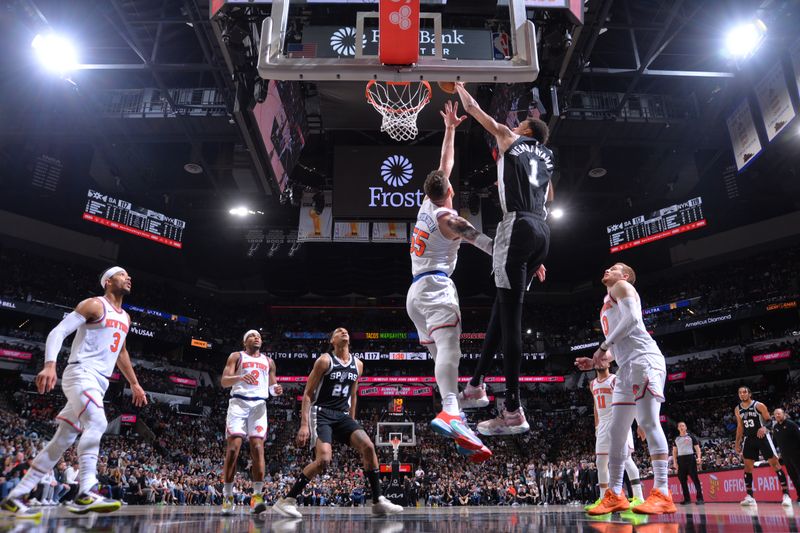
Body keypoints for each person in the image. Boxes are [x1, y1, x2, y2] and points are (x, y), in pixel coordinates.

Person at [1, 266, 147, 519]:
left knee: (62, 441)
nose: (129, 278)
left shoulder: (126, 317)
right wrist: (49, 365)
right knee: (98, 422)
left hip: (99, 382)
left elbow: (121, 352)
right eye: (122, 274)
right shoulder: (94, 305)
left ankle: (16, 496)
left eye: (129, 275)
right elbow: (58, 331)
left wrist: (134, 383)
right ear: (108, 281)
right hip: (81, 373)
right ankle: (86, 491)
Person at [454, 82, 553, 435]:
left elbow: (477, 114)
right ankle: (477, 385)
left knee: (511, 320)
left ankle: (512, 407)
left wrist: (460, 89)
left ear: (525, 131)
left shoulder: (512, 137)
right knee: (501, 307)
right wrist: (531, 254)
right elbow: (546, 196)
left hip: (520, 227)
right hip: (541, 232)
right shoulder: (546, 157)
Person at [406, 100, 493, 462]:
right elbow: (485, 243)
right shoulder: (450, 219)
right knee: (452, 353)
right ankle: (452, 412)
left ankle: (458, 424)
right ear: (450, 192)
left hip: (415, 293)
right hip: (437, 290)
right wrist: (521, 260)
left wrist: (451, 129)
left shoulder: (428, 204)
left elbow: (445, 165)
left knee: (443, 359)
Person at [575, 263, 676, 515]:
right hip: (626, 366)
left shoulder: (622, 286)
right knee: (617, 432)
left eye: (614, 268)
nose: (607, 270)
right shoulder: (608, 300)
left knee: (649, 422)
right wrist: (600, 358)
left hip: (645, 360)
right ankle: (616, 494)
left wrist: (601, 348)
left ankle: (662, 491)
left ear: (626, 275)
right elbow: (619, 344)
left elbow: (632, 320)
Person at [272, 328, 402, 518]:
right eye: (338, 331)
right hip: (322, 413)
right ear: (332, 340)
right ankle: (287, 501)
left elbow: (353, 394)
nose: (343, 331)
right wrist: (303, 424)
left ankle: (378, 501)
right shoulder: (325, 360)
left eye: (346, 331)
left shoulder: (358, 364)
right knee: (323, 461)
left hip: (342, 415)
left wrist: (352, 420)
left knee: (368, 446)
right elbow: (308, 394)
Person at [219, 329, 282, 515]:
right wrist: (239, 377)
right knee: (232, 450)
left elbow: (271, 386)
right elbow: (224, 381)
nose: (257, 338)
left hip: (259, 407)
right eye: (253, 336)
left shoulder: (268, 361)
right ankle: (228, 495)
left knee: (257, 448)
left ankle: (256, 496)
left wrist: (276, 389)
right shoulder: (236, 356)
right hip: (238, 403)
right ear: (245, 341)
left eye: (259, 336)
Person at [584, 362, 645, 511]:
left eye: (603, 360)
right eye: (598, 360)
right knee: (600, 462)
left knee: (626, 459)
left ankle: (639, 497)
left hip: (618, 420)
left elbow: (631, 400)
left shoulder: (615, 380)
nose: (600, 362)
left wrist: (639, 423)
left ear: (608, 363)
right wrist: (596, 426)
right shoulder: (592, 384)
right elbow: (595, 406)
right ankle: (604, 497)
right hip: (603, 425)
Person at [734, 386, 791, 507]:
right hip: (749, 439)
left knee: (775, 464)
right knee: (747, 468)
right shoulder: (737, 409)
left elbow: (770, 421)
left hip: (762, 438)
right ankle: (750, 497)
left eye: (744, 392)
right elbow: (740, 427)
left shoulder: (758, 405)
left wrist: (765, 428)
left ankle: (786, 495)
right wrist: (737, 443)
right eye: (740, 393)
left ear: (749, 394)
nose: (742, 394)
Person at [672, 421, 704, 504]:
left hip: (690, 459)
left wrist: (699, 457)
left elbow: (697, 448)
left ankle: (700, 499)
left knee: (695, 479)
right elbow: (674, 451)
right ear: (678, 428)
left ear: (686, 427)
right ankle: (687, 499)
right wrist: (675, 462)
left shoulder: (691, 437)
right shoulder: (676, 439)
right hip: (680, 460)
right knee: (682, 480)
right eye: (680, 426)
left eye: (683, 426)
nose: (682, 427)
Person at [772, 408, 800, 504]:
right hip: (785, 457)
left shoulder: (791, 424)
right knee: (793, 476)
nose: (777, 416)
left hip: (797, 454)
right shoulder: (775, 428)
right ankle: (799, 495)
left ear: (784, 414)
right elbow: (774, 443)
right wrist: (777, 455)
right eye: (775, 414)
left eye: (779, 414)